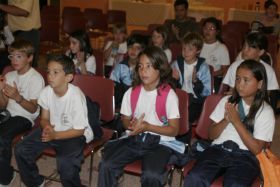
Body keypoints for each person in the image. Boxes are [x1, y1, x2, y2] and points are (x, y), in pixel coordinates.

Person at [98, 46, 182, 187]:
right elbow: (125, 119)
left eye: (148, 66)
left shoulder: (169, 95)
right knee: (106, 164)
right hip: (135, 138)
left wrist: (147, 126)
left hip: (160, 142)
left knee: (152, 175)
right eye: (140, 66)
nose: (143, 71)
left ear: (160, 69)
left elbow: (174, 130)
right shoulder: (131, 92)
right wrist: (130, 125)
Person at [184, 60, 275, 187]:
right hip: (218, 149)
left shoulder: (265, 111)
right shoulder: (227, 101)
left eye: (246, 80)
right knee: (195, 177)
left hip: (246, 156)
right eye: (238, 79)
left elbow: (255, 149)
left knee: (235, 184)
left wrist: (236, 121)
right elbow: (211, 135)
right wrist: (226, 120)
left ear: (259, 84)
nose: (240, 85)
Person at [15, 54, 93, 187]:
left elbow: (80, 130)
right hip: (52, 130)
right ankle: (36, 182)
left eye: (55, 72)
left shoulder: (76, 96)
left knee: (65, 165)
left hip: (73, 134)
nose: (50, 76)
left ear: (68, 77)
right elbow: (44, 118)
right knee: (21, 149)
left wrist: (55, 135)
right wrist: (47, 127)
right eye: (48, 72)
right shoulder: (46, 92)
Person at [0, 39, 45, 186]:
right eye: (11, 56)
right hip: (7, 114)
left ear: (30, 58)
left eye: (19, 56)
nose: (14, 60)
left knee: (1, 138)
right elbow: (3, 106)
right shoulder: (10, 75)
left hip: (24, 117)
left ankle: (6, 176)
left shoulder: (36, 78)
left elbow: (34, 109)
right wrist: (1, 91)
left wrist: (17, 97)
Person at [172, 32, 211, 141]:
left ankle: (183, 143)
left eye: (190, 49)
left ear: (198, 51)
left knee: (185, 116)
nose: (186, 52)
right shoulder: (176, 64)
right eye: (184, 48)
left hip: (196, 100)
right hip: (180, 98)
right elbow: (170, 87)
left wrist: (196, 81)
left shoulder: (203, 67)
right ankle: (169, 139)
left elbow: (207, 92)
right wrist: (174, 80)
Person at [110, 34, 147, 109]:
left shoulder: (145, 68)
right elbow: (112, 84)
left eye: (137, 48)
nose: (133, 50)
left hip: (141, 103)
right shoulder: (121, 66)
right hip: (122, 103)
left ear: (142, 51)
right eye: (130, 47)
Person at [0, 0, 41, 67]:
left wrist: (1, 6)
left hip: (28, 33)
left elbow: (24, 11)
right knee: (18, 68)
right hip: (18, 33)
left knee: (26, 69)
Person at [200, 17, 230, 93]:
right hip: (198, 76)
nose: (207, 31)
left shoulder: (221, 48)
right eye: (206, 28)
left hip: (214, 78)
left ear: (217, 32)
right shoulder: (198, 44)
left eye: (211, 28)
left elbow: (225, 70)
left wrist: (209, 74)